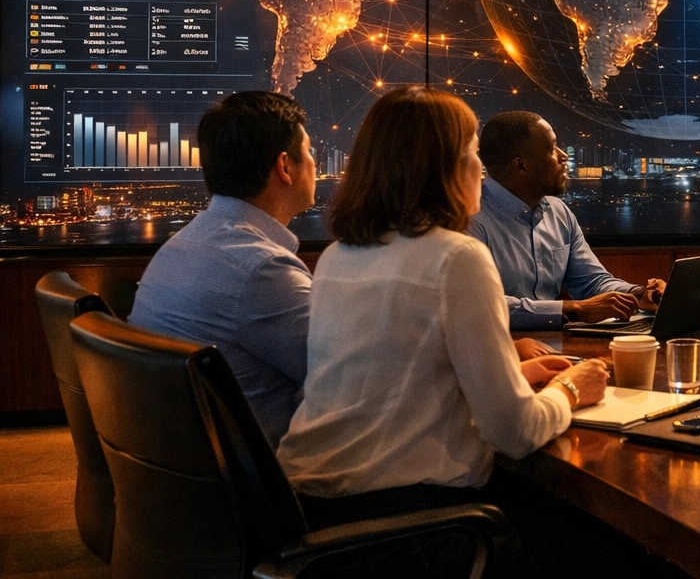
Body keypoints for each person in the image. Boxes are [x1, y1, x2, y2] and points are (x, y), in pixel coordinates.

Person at [277, 86, 608, 525]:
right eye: (473, 154)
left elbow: (394, 377)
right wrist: (571, 389)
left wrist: (513, 374)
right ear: (444, 170)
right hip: (412, 525)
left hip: (311, 509)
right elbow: (515, 432)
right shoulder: (457, 257)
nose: (481, 170)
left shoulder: (342, 253)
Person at [129, 91, 315, 448]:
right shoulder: (261, 270)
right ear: (284, 167)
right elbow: (348, 379)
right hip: (266, 486)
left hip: (185, 469)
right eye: (308, 152)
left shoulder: (185, 243)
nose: (314, 163)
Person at [469, 111, 666, 329]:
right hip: (503, 347)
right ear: (521, 166)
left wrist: (639, 294)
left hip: (555, 344)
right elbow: (480, 305)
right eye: (552, 148)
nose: (564, 156)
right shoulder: (470, 220)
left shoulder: (558, 212)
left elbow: (591, 282)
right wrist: (575, 309)